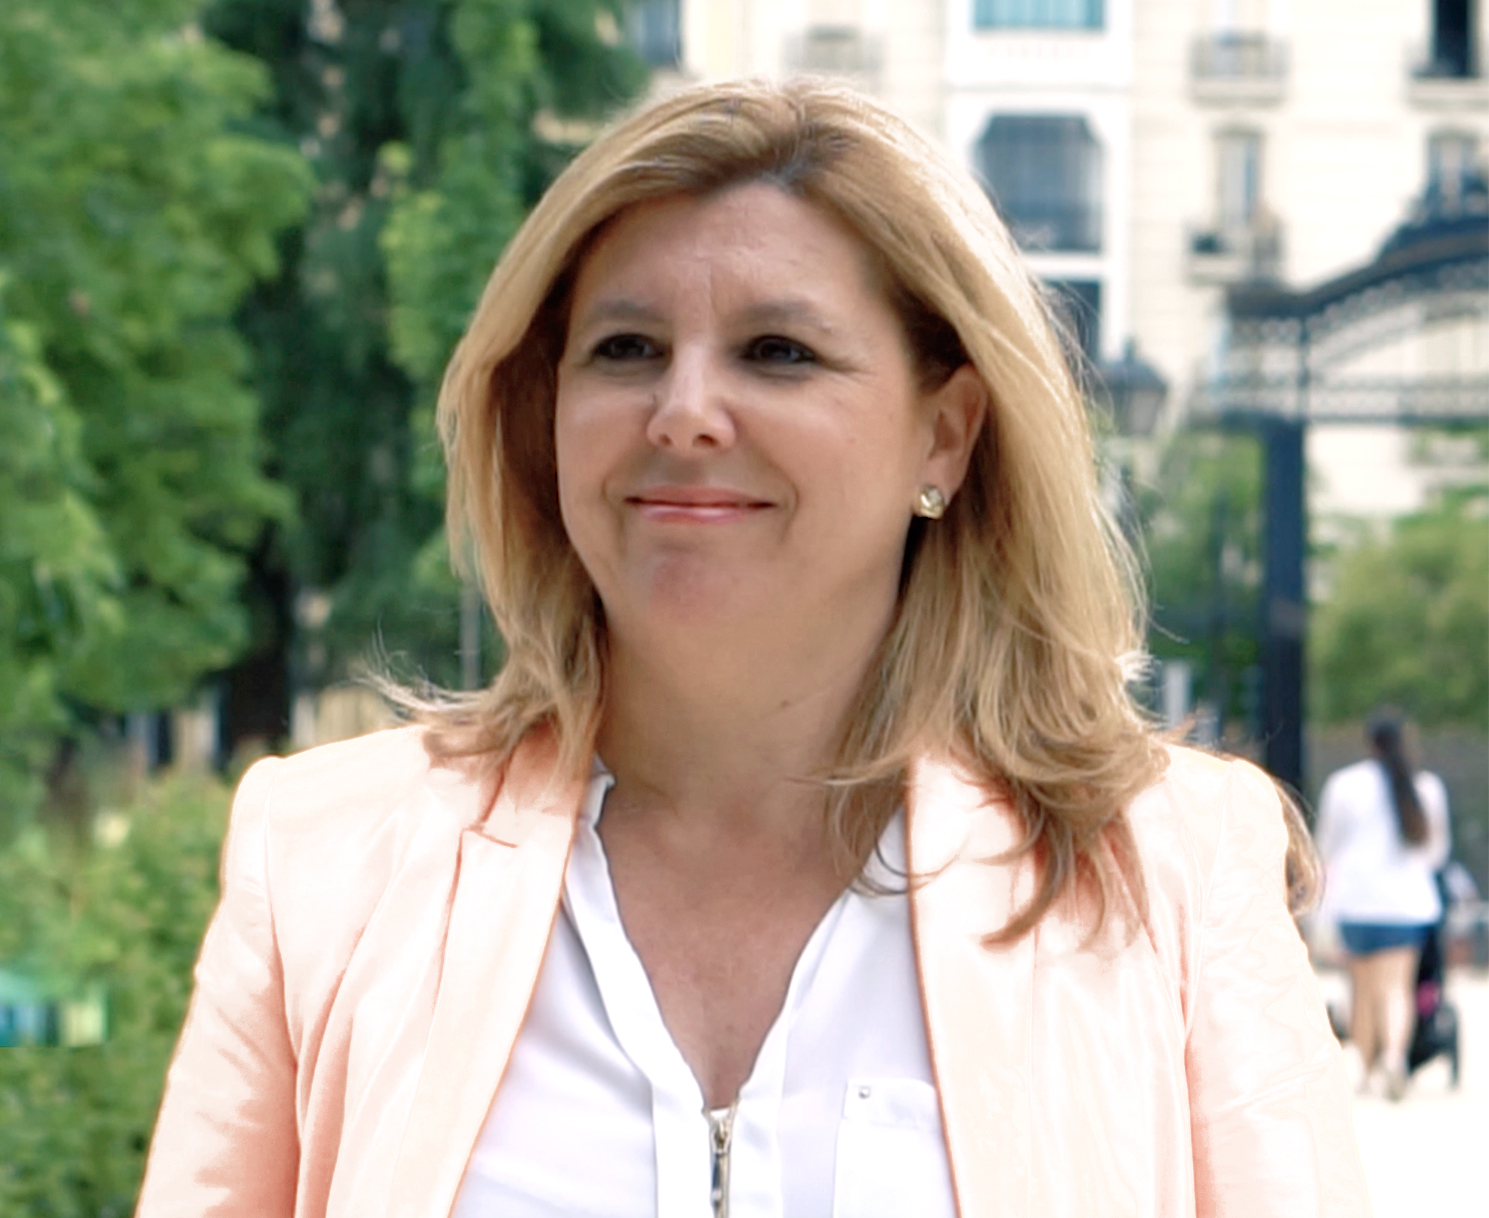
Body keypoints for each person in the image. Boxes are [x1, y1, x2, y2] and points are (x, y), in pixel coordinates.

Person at [136, 78, 1370, 1217]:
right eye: (625, 350)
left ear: (944, 437)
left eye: (778, 353)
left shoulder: (1170, 874)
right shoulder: (326, 861)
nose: (683, 412)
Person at [1316, 710, 1452, 1101]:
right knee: (1397, 988)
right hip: (1408, 906)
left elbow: (1327, 844)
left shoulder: (1344, 785)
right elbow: (1436, 851)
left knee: (1362, 989)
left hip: (1358, 903)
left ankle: (1363, 1065)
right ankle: (1394, 1057)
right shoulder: (1426, 787)